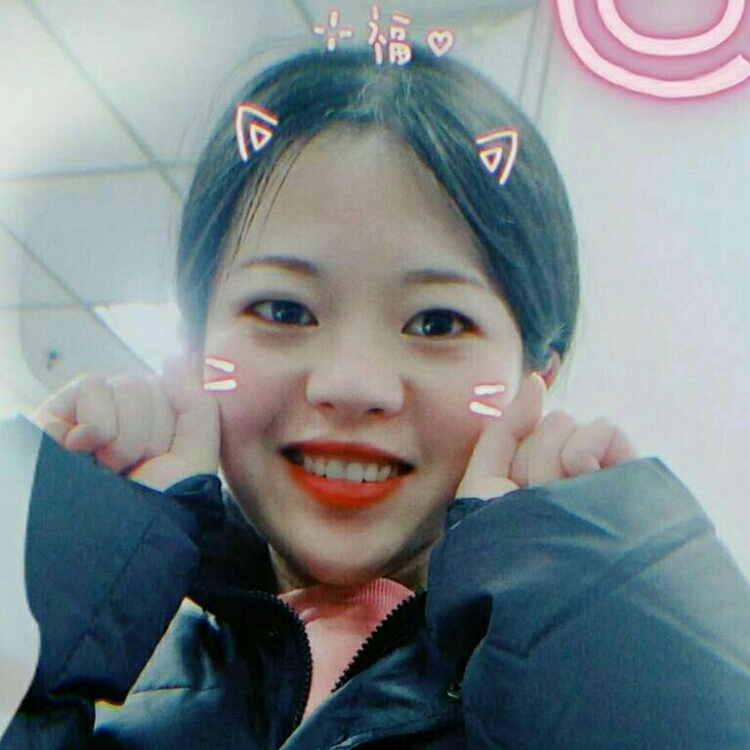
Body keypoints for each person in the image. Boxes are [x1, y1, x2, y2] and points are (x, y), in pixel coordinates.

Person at [2, 46, 749, 749]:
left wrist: (615, 624)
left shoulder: (591, 673)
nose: (351, 385)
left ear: (537, 380)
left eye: (437, 323)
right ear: (195, 353)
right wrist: (41, 569)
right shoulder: (101, 677)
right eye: (283, 310)